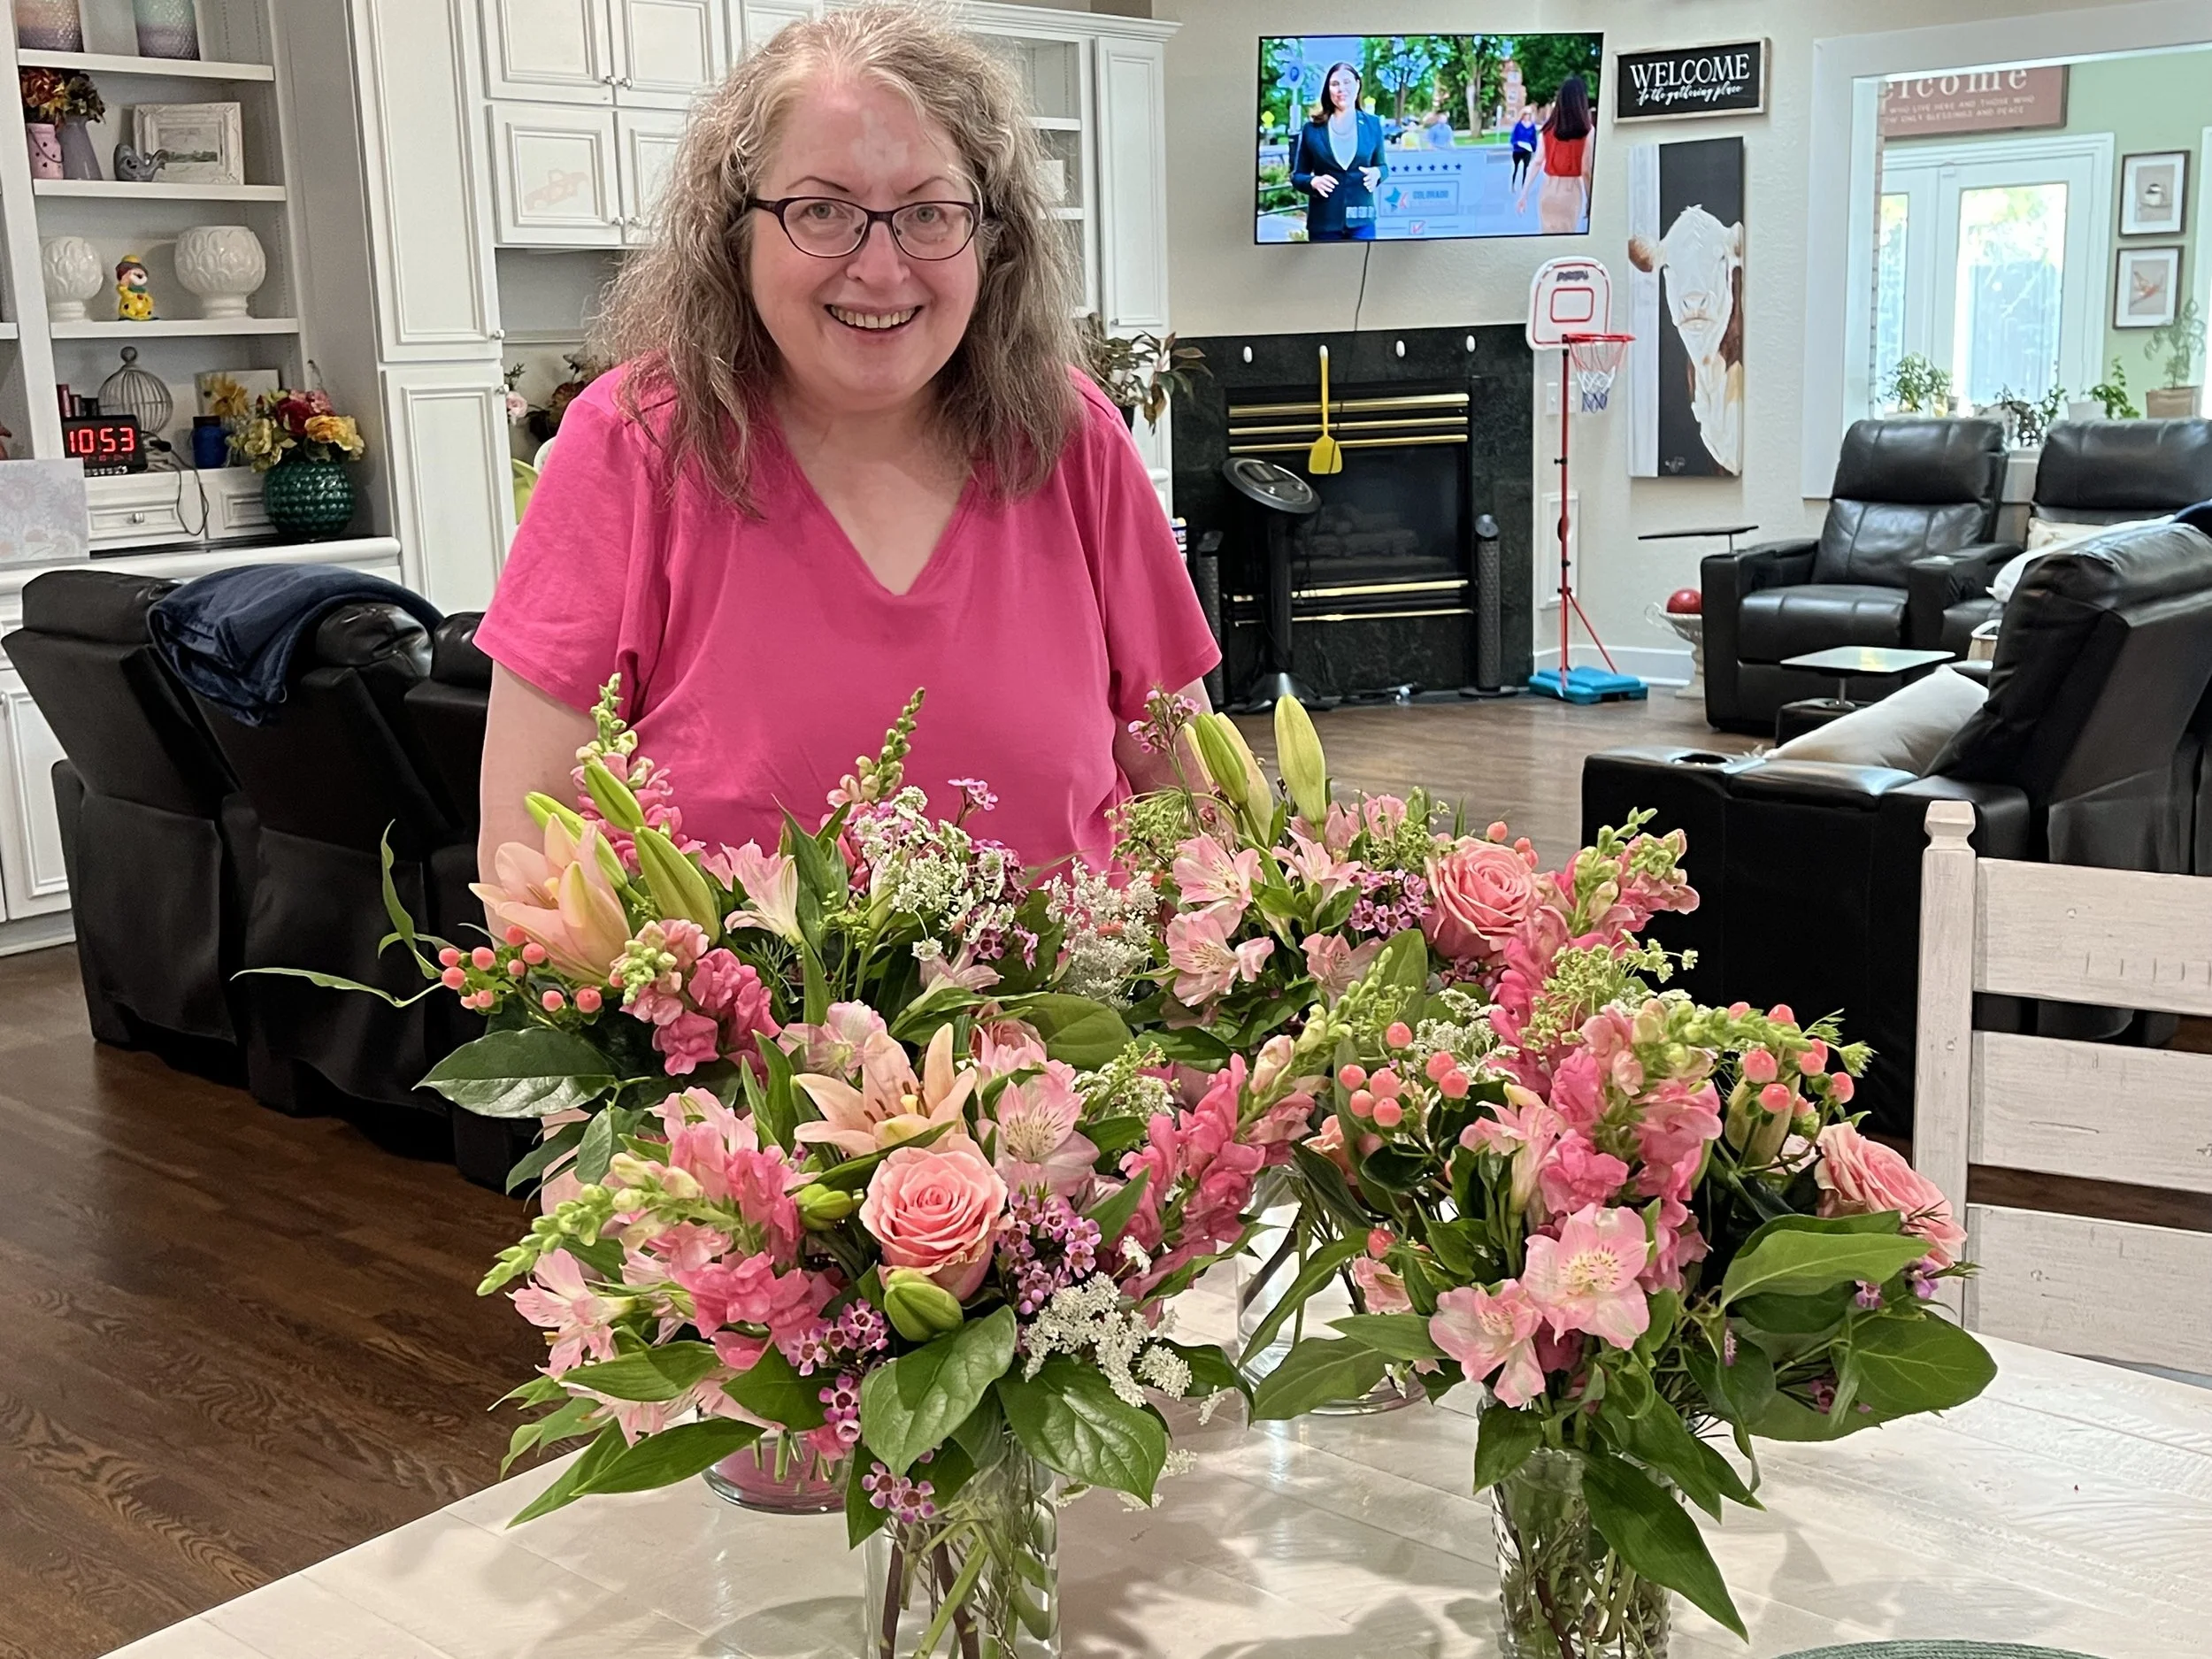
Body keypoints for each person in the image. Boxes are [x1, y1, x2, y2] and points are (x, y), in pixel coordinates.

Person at [471, 7, 1219, 879]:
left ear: (990, 236)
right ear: (735, 232)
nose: (879, 266)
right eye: (821, 210)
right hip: (732, 1021)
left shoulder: (1069, 437)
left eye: (929, 214)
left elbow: (1193, 804)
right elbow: (529, 866)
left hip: (1085, 1011)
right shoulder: (633, 446)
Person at [1287, 61, 1386, 242]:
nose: (1341, 89)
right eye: (1335, 84)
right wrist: (1313, 181)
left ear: (1357, 85)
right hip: (1323, 223)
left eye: (1347, 82)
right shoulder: (1312, 129)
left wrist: (1377, 173)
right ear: (1328, 90)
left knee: (1362, 270)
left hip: (1361, 222)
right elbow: (1297, 175)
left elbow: (1383, 167)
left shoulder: (1373, 124)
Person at [1517, 76, 1594, 234]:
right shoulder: (1587, 132)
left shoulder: (1547, 130)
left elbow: (1537, 162)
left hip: (1548, 190)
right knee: (1568, 238)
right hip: (1571, 192)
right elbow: (1586, 170)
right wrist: (1590, 200)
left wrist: (1523, 194)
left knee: (1546, 235)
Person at [1509, 104, 1538, 190]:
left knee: (1526, 169)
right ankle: (1513, 185)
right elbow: (1513, 138)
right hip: (1518, 150)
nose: (1527, 116)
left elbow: (1534, 138)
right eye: (1526, 114)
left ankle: (1523, 186)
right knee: (1516, 168)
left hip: (1527, 150)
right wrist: (1516, 143)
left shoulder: (1532, 126)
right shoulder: (1518, 125)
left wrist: (1533, 147)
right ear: (1523, 115)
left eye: (1529, 115)